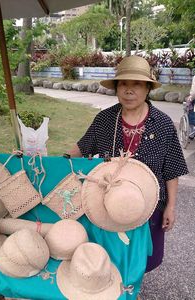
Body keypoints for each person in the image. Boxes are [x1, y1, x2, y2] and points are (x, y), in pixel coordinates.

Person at [67, 56, 188, 275]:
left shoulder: (162, 124)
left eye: (137, 84)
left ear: (148, 89)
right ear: (116, 88)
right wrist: (58, 158)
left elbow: (172, 169)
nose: (129, 90)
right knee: (112, 256)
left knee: (143, 258)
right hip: (108, 204)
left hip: (149, 205)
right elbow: (82, 147)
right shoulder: (105, 120)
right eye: (123, 83)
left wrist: (171, 207)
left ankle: (133, 287)